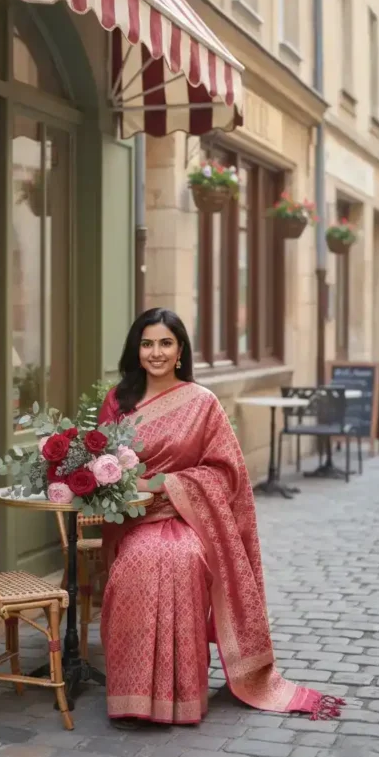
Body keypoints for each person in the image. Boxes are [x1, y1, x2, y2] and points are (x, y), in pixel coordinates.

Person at [98, 307, 344, 726]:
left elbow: (227, 473)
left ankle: (182, 694)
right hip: (134, 520)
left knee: (181, 559)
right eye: (147, 343)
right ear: (136, 350)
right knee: (136, 564)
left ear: (179, 351)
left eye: (165, 343)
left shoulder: (202, 403)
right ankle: (132, 694)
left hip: (187, 518)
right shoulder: (118, 402)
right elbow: (102, 463)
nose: (155, 352)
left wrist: (164, 485)